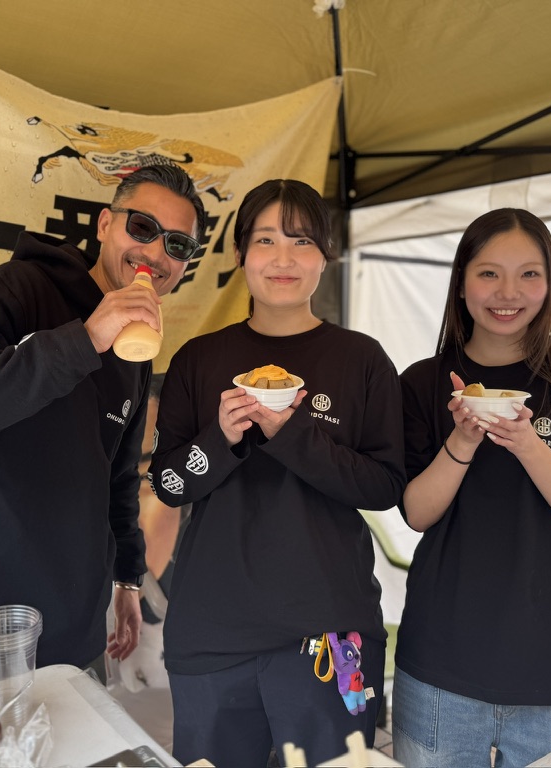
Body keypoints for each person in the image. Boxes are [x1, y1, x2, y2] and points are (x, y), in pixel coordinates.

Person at [0, 165, 208, 678]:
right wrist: (83, 339)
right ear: (105, 224)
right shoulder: (16, 289)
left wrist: (127, 579)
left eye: (177, 245)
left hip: (70, 638)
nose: (155, 254)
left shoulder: (137, 352)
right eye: (142, 229)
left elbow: (118, 477)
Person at [148, 179, 406, 767]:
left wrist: (291, 435)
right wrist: (222, 439)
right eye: (265, 240)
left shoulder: (361, 359)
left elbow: (385, 485)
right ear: (240, 256)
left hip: (329, 632)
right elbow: (170, 484)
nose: (283, 259)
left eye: (301, 241)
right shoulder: (199, 359)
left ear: (326, 256)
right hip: (213, 634)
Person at [392, 208, 551, 767]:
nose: (508, 292)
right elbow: (417, 512)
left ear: (550, 284)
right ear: (461, 283)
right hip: (439, 668)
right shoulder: (422, 383)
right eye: (488, 273)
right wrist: (463, 440)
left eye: (529, 274)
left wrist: (526, 443)